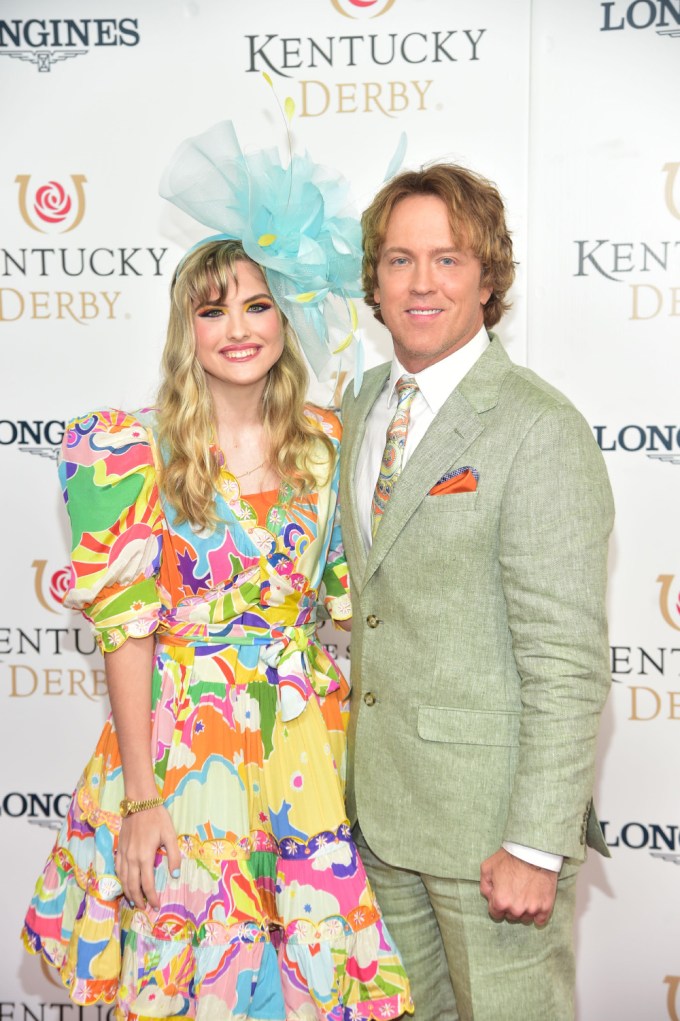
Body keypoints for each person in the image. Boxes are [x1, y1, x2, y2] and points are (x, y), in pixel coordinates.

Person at [22, 122, 412, 1020]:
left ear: (287, 316)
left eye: (256, 305)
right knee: (190, 980)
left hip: (304, 748)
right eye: (212, 309)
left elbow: (354, 612)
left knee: (310, 985)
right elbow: (126, 634)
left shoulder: (331, 444)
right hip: (179, 748)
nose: (237, 329)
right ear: (185, 327)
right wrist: (144, 797)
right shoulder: (128, 452)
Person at [339, 164, 614, 1021]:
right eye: (398, 260)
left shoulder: (539, 427)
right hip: (378, 819)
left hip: (491, 833)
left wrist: (535, 840)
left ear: (488, 278)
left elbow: (566, 660)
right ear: (374, 284)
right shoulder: (358, 404)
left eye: (448, 259)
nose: (421, 282)